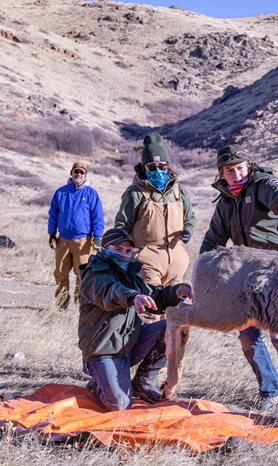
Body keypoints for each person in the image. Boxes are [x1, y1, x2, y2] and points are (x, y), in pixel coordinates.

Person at [199, 144, 278, 422]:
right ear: (221, 173)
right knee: (248, 333)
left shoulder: (262, 185)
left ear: (248, 166)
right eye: (229, 170)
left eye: (240, 167)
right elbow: (213, 238)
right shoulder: (227, 202)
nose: (236, 173)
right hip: (251, 274)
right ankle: (270, 388)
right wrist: (201, 271)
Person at [78, 227, 192, 411]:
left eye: (128, 251)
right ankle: (99, 382)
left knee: (170, 328)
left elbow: (155, 297)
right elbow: (110, 291)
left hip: (128, 345)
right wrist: (133, 297)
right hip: (103, 351)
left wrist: (176, 292)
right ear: (104, 249)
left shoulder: (130, 275)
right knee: (120, 405)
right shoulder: (94, 274)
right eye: (118, 249)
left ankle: (142, 382)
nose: (124, 254)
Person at [114, 132, 195, 289]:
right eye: (152, 167)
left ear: (168, 166)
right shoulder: (135, 193)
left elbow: (190, 217)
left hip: (176, 261)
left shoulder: (180, 191)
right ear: (144, 168)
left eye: (162, 166)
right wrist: (121, 255)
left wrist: (189, 229)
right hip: (146, 262)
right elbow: (122, 225)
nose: (157, 170)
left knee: (173, 309)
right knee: (150, 308)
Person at [48, 161, 104, 310]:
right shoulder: (61, 192)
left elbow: (97, 216)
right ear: (71, 173)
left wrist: (97, 236)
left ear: (85, 175)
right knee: (60, 273)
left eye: (81, 172)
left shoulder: (91, 193)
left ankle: (82, 307)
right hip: (63, 240)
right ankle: (61, 305)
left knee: (83, 275)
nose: (78, 174)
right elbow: (53, 214)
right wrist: (52, 234)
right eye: (76, 172)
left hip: (84, 241)